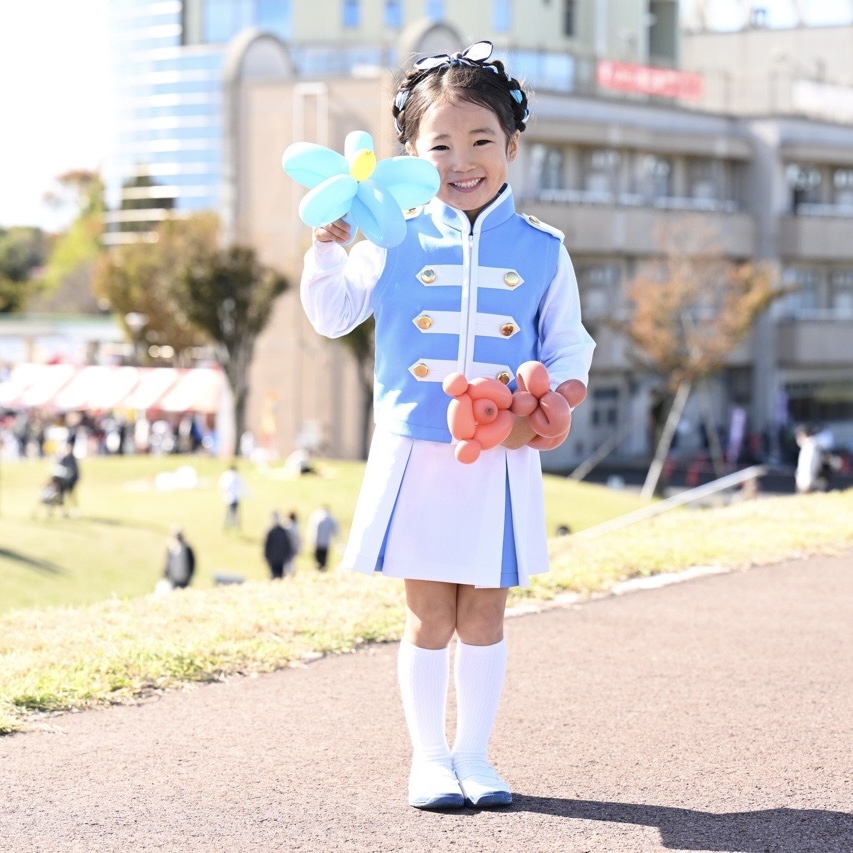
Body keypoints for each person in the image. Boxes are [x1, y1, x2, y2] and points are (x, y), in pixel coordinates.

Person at [298, 41, 595, 810]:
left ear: (512, 146)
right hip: (417, 452)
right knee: (429, 611)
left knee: (487, 609)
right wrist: (327, 250)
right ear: (408, 154)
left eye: (480, 142)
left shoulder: (542, 248)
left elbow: (569, 342)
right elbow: (331, 315)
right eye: (438, 147)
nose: (461, 161)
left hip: (500, 457)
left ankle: (475, 755)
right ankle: (428, 759)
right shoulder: (390, 236)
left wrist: (558, 395)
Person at [263, 511, 295, 580]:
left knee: (275, 576)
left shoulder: (272, 531)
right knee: (279, 576)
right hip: (280, 558)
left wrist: (266, 556)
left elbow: (267, 546)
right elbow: (288, 544)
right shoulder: (282, 531)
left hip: (274, 558)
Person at [306, 505, 339, 571]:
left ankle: (318, 570)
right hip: (326, 543)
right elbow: (335, 531)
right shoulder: (330, 519)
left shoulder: (316, 517)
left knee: (317, 560)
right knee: (324, 560)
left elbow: (313, 531)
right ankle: (322, 570)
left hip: (317, 543)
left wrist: (312, 541)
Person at [218, 463, 246, 529]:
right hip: (233, 497)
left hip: (231, 497)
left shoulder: (229, 475)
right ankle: (232, 525)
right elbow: (227, 486)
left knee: (230, 512)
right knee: (232, 512)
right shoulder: (233, 476)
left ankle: (230, 525)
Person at [282, 510, 301, 577]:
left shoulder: (287, 524)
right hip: (293, 547)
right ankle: (291, 575)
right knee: (290, 563)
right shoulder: (295, 525)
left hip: (287, 547)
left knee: (287, 563)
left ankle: (289, 575)